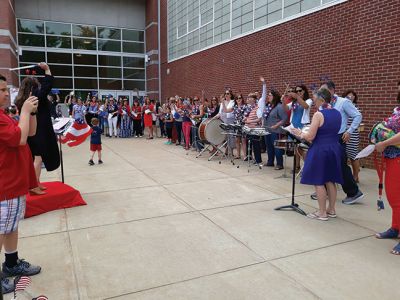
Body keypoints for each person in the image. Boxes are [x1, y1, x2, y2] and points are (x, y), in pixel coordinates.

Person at [0, 74, 42, 294]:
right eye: (2, 90)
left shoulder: (3, 115)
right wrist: (24, 112)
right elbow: (20, 139)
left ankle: (11, 263)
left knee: (11, 226)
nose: (7, 94)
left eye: (7, 89)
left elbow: (30, 131)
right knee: (1, 229)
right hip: (5, 185)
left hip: (14, 184)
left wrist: (31, 113)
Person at [293, 88, 343, 221]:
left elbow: (310, 136)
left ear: (321, 100)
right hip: (334, 148)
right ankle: (331, 209)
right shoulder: (337, 113)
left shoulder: (319, 114)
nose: (314, 102)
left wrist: (299, 133)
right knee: (330, 180)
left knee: (318, 180)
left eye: (315, 99)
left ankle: (322, 213)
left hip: (320, 149)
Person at [14, 63, 60, 193]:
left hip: (30, 131)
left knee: (36, 158)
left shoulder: (21, 99)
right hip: (38, 131)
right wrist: (47, 69)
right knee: (38, 158)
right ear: (33, 88)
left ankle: (37, 182)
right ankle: (33, 186)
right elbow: (47, 85)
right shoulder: (35, 97)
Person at [319, 81, 363, 204]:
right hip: (327, 137)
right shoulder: (323, 104)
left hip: (338, 137)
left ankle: (353, 192)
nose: (321, 93)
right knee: (327, 164)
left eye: (324, 90)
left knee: (340, 166)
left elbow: (357, 116)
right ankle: (324, 191)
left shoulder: (343, 102)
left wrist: (349, 131)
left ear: (332, 90)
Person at [374, 87, 400, 254]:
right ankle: (395, 228)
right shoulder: (397, 110)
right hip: (392, 157)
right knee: (393, 196)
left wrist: (384, 143)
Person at [284, 85, 313, 172]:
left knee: (302, 148)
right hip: (294, 126)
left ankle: (308, 168)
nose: (298, 92)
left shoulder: (309, 100)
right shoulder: (294, 102)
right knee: (296, 148)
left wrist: (296, 96)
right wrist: (283, 100)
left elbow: (306, 106)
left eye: (300, 91)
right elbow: (285, 108)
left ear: (304, 91)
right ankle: (297, 167)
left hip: (303, 126)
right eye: (296, 91)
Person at [264, 89, 287, 170]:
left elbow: (284, 119)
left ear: (274, 97)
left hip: (276, 130)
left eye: (270, 95)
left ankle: (279, 164)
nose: (268, 97)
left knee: (277, 147)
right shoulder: (269, 106)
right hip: (268, 130)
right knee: (269, 146)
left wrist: (276, 125)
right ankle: (270, 162)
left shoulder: (279, 107)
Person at [342, 90, 361, 182]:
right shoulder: (342, 106)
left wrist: (349, 130)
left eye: (352, 96)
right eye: (348, 95)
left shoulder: (356, 108)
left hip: (352, 135)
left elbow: (357, 120)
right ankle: (347, 176)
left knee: (353, 156)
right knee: (344, 155)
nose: (350, 97)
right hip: (343, 134)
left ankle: (355, 176)